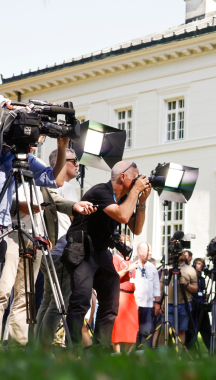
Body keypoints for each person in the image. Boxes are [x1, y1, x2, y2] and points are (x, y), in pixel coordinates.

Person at [64, 160, 151, 348]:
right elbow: (122, 216)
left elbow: (136, 228)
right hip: (82, 250)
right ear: (122, 177)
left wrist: (141, 201)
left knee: (111, 302)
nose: (138, 181)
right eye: (135, 177)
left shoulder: (124, 197)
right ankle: (72, 351)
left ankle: (101, 351)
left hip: (101, 252)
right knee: (81, 302)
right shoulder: (100, 191)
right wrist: (135, 191)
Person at [0, 135, 69, 346]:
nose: (35, 140)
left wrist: (62, 146)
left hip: (34, 233)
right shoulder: (4, 158)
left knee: (26, 296)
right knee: (2, 292)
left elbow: (55, 180)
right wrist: (15, 205)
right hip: (9, 231)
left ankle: (17, 347)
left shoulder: (29, 160)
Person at [36, 148, 95, 347]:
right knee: (59, 302)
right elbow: (74, 218)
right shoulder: (67, 187)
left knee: (47, 299)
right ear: (60, 163)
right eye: (73, 160)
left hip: (46, 250)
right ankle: (43, 349)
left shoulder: (45, 184)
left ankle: (36, 346)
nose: (77, 164)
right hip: (61, 248)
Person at [164, 248, 198, 348]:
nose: (180, 254)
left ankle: (179, 355)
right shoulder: (168, 268)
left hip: (184, 304)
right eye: (179, 252)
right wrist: (161, 302)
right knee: (165, 330)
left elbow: (195, 289)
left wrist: (186, 284)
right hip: (168, 304)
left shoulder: (190, 270)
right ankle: (163, 354)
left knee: (181, 330)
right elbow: (162, 286)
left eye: (182, 253)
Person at [111, 236, 139, 353]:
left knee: (132, 325)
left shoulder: (129, 260)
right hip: (121, 294)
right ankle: (118, 354)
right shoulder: (115, 258)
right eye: (125, 245)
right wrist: (128, 269)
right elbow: (114, 276)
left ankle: (127, 354)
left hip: (131, 296)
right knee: (119, 326)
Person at [134, 241, 161, 348]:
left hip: (148, 305)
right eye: (148, 251)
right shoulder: (133, 265)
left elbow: (156, 286)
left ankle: (144, 354)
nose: (151, 253)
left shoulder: (152, 267)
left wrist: (157, 302)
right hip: (135, 305)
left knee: (146, 332)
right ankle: (131, 354)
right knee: (134, 331)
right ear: (141, 252)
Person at [187, 257, 212, 349]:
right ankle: (190, 350)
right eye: (198, 263)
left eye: (202, 264)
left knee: (206, 329)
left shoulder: (202, 279)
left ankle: (211, 350)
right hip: (194, 306)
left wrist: (205, 296)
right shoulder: (192, 277)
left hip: (202, 305)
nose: (200, 265)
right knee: (192, 329)